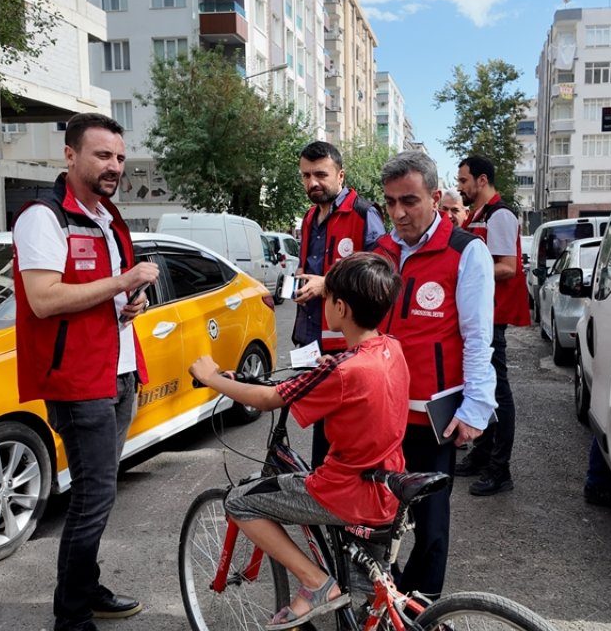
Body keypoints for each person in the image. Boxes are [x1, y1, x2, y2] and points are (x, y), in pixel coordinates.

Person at [188, 253, 408, 630]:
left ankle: (315, 583)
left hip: (345, 492)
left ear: (340, 307)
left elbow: (268, 398)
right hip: (387, 486)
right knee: (366, 604)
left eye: (327, 298)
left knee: (239, 501)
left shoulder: (339, 371)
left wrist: (212, 377)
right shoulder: (392, 349)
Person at [12, 113, 160, 631]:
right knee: (92, 499)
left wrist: (128, 302)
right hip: (79, 380)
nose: (114, 165)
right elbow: (44, 298)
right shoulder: (44, 217)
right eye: (102, 155)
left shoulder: (105, 215)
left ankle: (86, 587)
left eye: (119, 157)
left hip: (117, 372)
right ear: (70, 156)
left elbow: (98, 292)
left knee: (100, 494)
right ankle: (71, 616)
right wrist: (123, 280)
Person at [373, 151, 496, 598]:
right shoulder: (382, 251)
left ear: (435, 196)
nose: (399, 213)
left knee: (429, 523)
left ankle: (420, 607)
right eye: (390, 202)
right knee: (375, 514)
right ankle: (383, 597)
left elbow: (479, 336)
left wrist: (476, 408)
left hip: (430, 415)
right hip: (380, 412)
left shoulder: (465, 251)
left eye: (410, 200)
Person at [294, 140, 386, 467]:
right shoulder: (308, 218)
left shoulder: (363, 213)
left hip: (347, 344)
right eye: (306, 176)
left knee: (345, 430)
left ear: (340, 175)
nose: (312, 183)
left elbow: (380, 272)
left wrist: (327, 283)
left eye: (320, 174)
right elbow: (312, 268)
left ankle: (340, 507)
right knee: (322, 423)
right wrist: (302, 280)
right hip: (311, 337)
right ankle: (327, 500)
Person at [453, 156, 531, 496]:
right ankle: (483, 456)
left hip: (494, 316)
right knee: (481, 387)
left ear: (482, 180)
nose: (460, 187)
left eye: (464, 180)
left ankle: (500, 470)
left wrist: (465, 273)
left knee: (498, 393)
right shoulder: (479, 216)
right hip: (486, 313)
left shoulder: (499, 215)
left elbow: (508, 267)